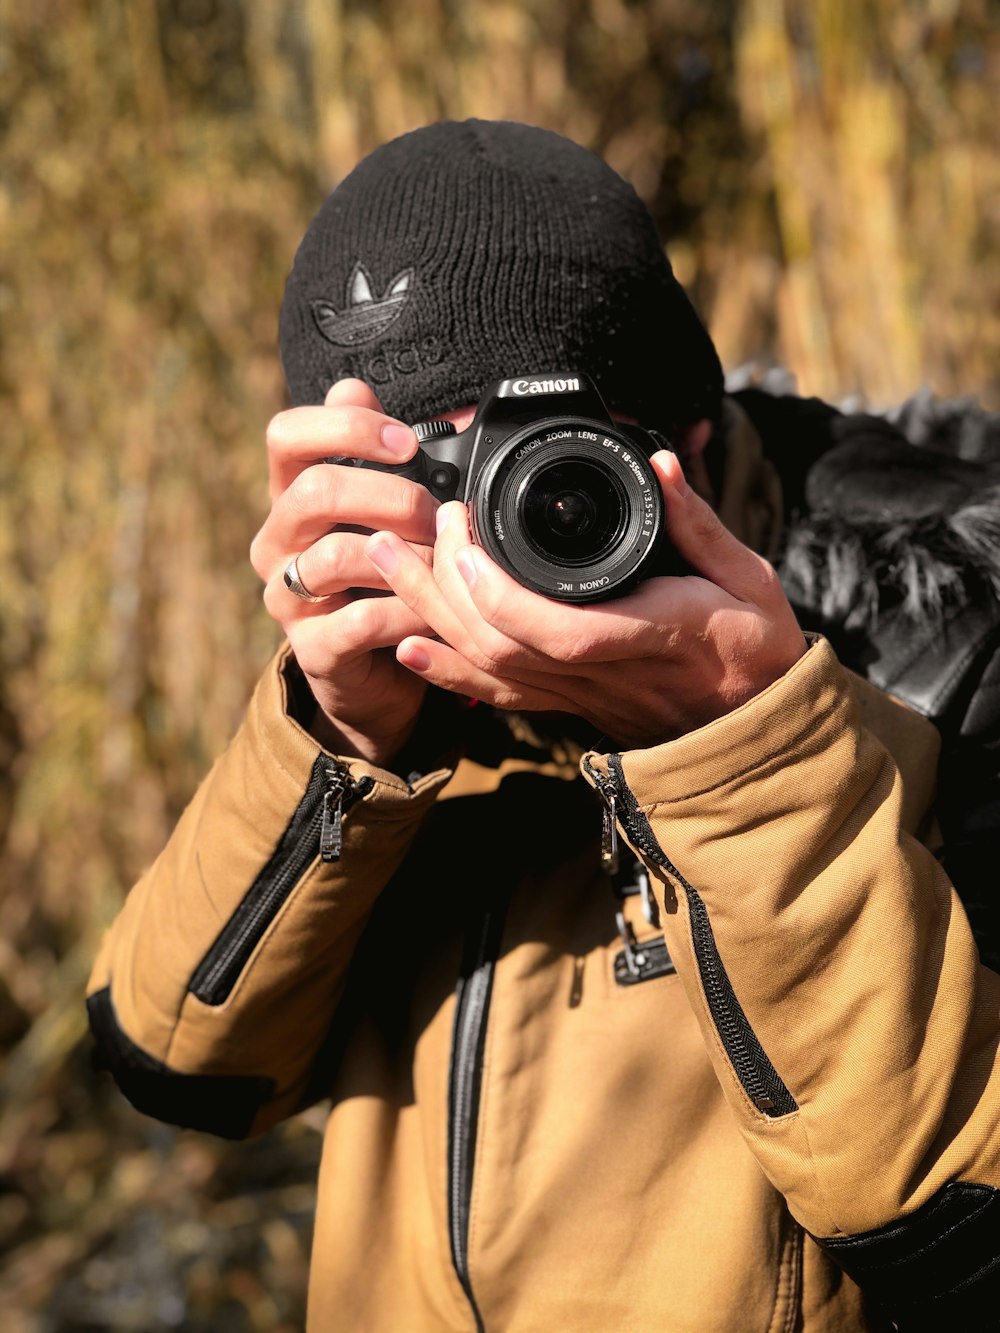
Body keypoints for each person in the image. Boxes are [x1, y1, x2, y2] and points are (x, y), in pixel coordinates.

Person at [86, 120, 1000, 1331]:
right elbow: (179, 1067)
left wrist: (740, 747)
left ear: (694, 440)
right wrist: (341, 742)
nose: (503, 533)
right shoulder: (403, 699)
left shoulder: (945, 663)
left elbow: (963, 1238)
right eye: (440, 480)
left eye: (559, 468)